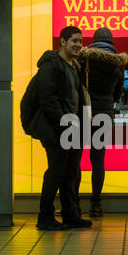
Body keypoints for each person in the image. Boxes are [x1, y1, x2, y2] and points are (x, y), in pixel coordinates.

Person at [34, 26, 93, 230]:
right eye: (74, 41)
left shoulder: (73, 66)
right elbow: (48, 99)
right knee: (56, 172)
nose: (78, 44)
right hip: (58, 128)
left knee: (71, 172)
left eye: (80, 41)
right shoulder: (51, 66)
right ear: (62, 41)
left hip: (73, 128)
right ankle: (45, 217)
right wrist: (63, 123)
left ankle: (70, 214)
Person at [77, 27, 128, 217]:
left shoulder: (84, 58)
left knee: (76, 158)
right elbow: (118, 93)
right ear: (111, 43)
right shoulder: (118, 64)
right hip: (104, 113)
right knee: (98, 159)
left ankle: (74, 203)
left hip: (83, 111)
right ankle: (96, 204)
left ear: (94, 41)